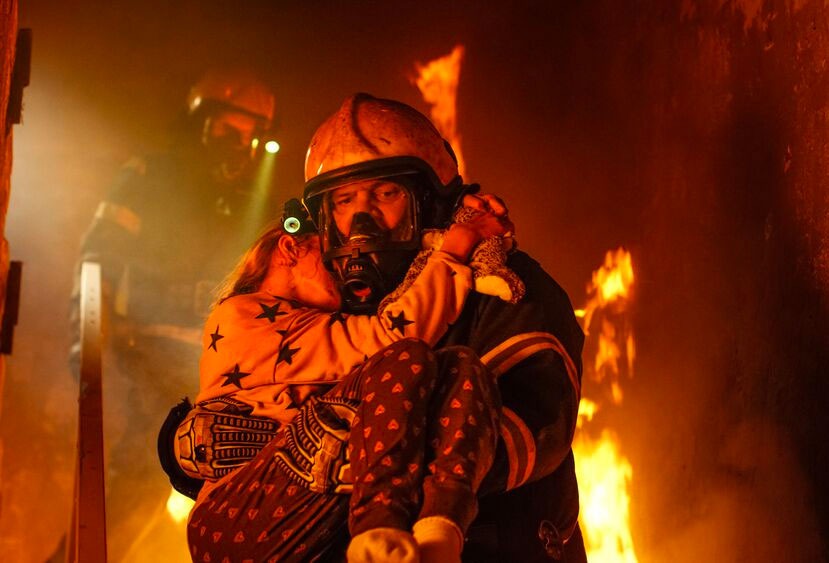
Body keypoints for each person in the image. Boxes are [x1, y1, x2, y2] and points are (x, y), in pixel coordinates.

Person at [300, 93, 586, 562]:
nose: (360, 221)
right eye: (344, 200)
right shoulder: (326, 308)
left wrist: (365, 464)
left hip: (495, 547)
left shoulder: (506, 288)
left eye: (385, 194)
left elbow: (535, 428)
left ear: (431, 202)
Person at [179, 198, 510, 562]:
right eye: (330, 260)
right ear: (291, 247)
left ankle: (439, 537)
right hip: (236, 517)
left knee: (458, 365)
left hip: (297, 512)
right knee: (405, 356)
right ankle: (379, 533)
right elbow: (391, 336)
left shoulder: (305, 327)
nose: (344, 272)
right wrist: (458, 243)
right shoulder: (242, 315)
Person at [70, 67, 278, 560]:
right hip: (145, 348)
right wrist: (88, 344)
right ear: (199, 123)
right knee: (138, 480)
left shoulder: (255, 200)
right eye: (228, 129)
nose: (238, 145)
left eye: (250, 136)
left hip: (224, 365)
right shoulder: (150, 177)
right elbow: (96, 258)